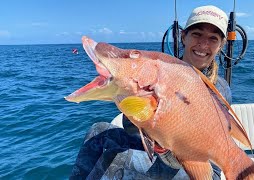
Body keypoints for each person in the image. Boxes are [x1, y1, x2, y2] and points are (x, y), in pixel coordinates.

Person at [70, 5, 231, 180]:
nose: (203, 44)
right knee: (97, 131)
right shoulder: (160, 70)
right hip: (157, 151)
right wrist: (129, 97)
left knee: (116, 158)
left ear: (221, 45)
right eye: (197, 34)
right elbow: (131, 129)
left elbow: (191, 150)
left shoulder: (219, 90)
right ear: (183, 37)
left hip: (197, 166)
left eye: (213, 38)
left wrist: (163, 143)